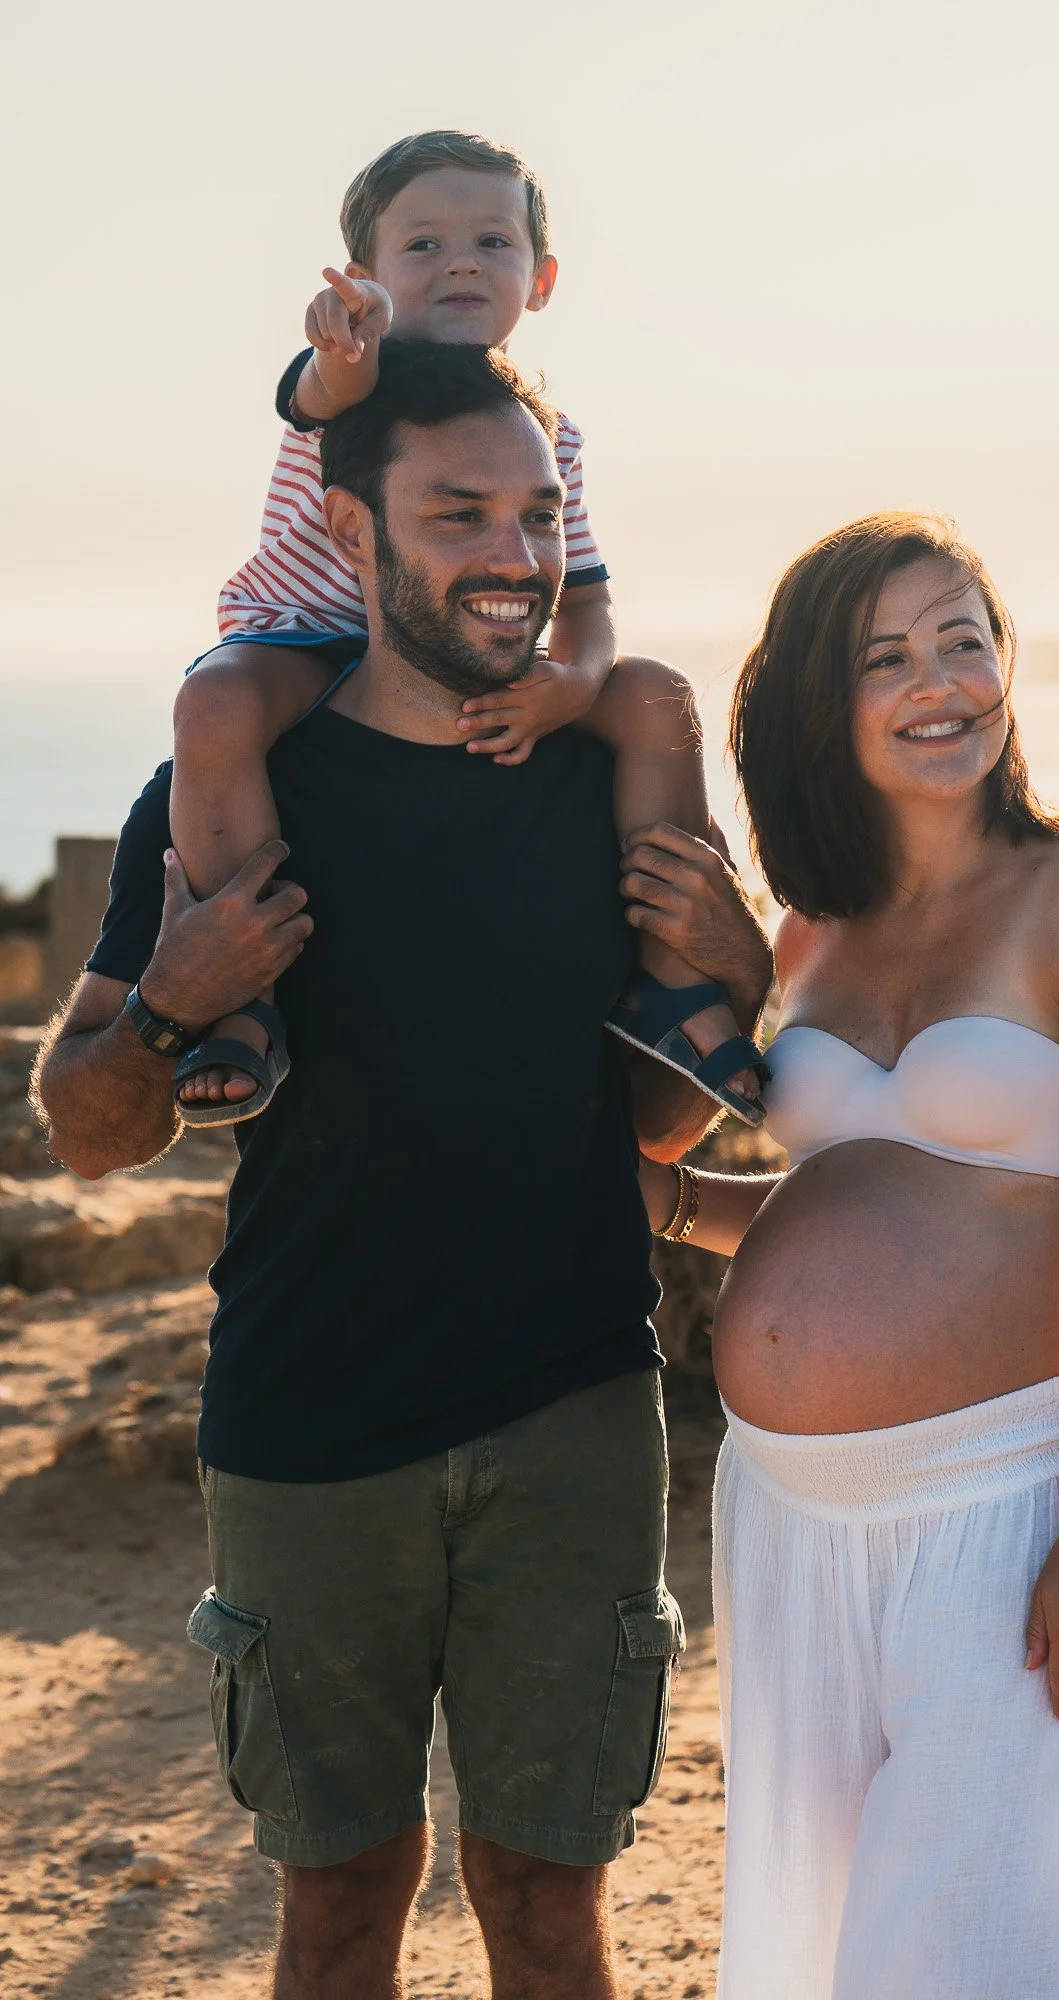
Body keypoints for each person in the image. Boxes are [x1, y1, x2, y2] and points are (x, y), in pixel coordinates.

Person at [34, 341, 774, 2000]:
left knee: (544, 1898)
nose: (515, 555)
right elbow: (85, 1128)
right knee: (342, 1896)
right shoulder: (229, 789)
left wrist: (747, 982)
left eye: (537, 514)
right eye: (460, 515)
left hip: (572, 1413)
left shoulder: (607, 779)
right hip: (307, 1422)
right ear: (352, 530)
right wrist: (171, 1006)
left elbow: (654, 1123)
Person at [632, 512, 1059, 1999]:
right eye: (886, 657)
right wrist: (675, 1200)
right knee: (821, 1951)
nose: (939, 681)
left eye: (963, 639)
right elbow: (853, 1193)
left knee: (968, 1958)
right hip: (787, 1516)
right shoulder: (811, 934)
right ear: (823, 707)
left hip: (1001, 1508)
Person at [169, 127, 764, 1127]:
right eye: (423, 245)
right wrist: (344, 338)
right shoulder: (351, 382)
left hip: (455, 641)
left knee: (654, 696)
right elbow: (328, 385)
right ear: (361, 279)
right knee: (216, 701)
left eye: (492, 242)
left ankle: (671, 982)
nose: (460, 264)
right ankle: (242, 999)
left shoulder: (547, 435)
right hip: (300, 640)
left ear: (542, 279)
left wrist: (573, 683)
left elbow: (586, 598)